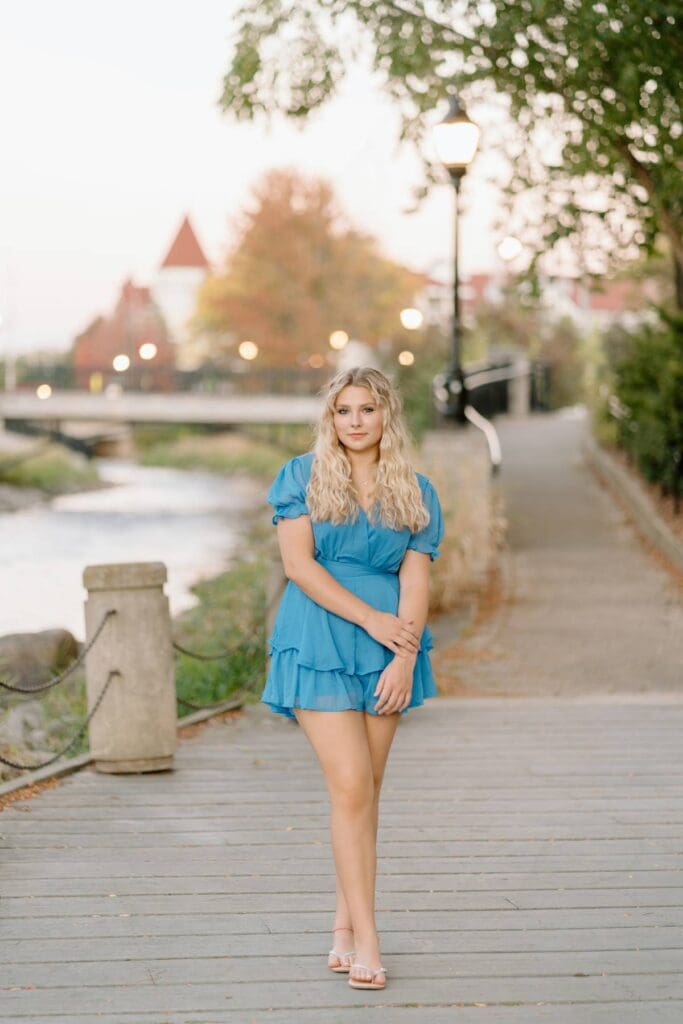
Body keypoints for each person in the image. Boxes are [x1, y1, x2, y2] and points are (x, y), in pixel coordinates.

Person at [261, 365, 444, 991]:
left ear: (386, 416)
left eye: (367, 410)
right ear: (330, 419)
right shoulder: (302, 477)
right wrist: (371, 619)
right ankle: (369, 938)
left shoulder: (416, 491)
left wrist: (403, 654)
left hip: (388, 652)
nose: (355, 421)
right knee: (349, 787)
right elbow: (298, 566)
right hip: (319, 637)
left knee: (366, 791)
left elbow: (417, 580)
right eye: (344, 411)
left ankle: (342, 925)